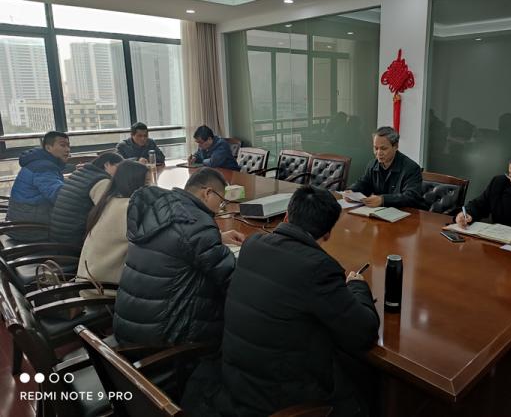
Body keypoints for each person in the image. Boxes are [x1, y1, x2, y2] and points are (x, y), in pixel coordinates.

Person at [182, 185, 380, 417]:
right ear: (327, 234)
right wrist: (357, 285)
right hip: (275, 400)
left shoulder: (252, 245)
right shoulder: (319, 268)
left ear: (286, 216)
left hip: (232, 378)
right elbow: (364, 332)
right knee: (365, 380)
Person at [113, 168, 245, 346]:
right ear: (208, 193)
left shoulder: (160, 210)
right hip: (164, 343)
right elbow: (232, 278)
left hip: (128, 330)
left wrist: (217, 237)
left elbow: (175, 240)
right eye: (221, 202)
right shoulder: (196, 222)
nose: (220, 208)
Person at [76, 160, 150, 291]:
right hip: (105, 290)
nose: (151, 187)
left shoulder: (108, 201)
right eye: (147, 183)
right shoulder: (129, 208)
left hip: (87, 282)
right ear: (135, 183)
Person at [7, 131, 71, 242]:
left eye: (68, 146)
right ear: (48, 148)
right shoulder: (44, 167)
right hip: (31, 229)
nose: (68, 149)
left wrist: (71, 182)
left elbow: (50, 183)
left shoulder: (38, 162)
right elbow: (58, 196)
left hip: (19, 221)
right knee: (81, 223)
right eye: (63, 145)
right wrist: (78, 189)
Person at [49, 152, 123, 246]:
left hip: (59, 234)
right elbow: (109, 211)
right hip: (75, 239)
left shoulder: (80, 173)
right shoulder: (101, 181)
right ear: (107, 164)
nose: (120, 172)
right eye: (118, 167)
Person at [346, 126, 426, 209]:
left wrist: (383, 200)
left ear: (395, 146)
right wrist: (352, 192)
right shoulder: (372, 164)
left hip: (406, 213)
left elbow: (411, 197)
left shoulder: (411, 168)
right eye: (376, 148)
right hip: (380, 212)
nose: (378, 153)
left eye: (383, 148)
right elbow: (364, 183)